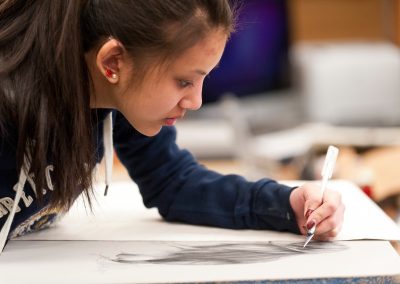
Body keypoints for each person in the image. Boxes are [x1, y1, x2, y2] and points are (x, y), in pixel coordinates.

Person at [0, 0, 344, 252]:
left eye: (202, 80)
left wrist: (286, 205)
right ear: (112, 62)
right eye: (183, 82)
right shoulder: (9, 104)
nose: (195, 101)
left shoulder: (116, 96)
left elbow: (172, 181)